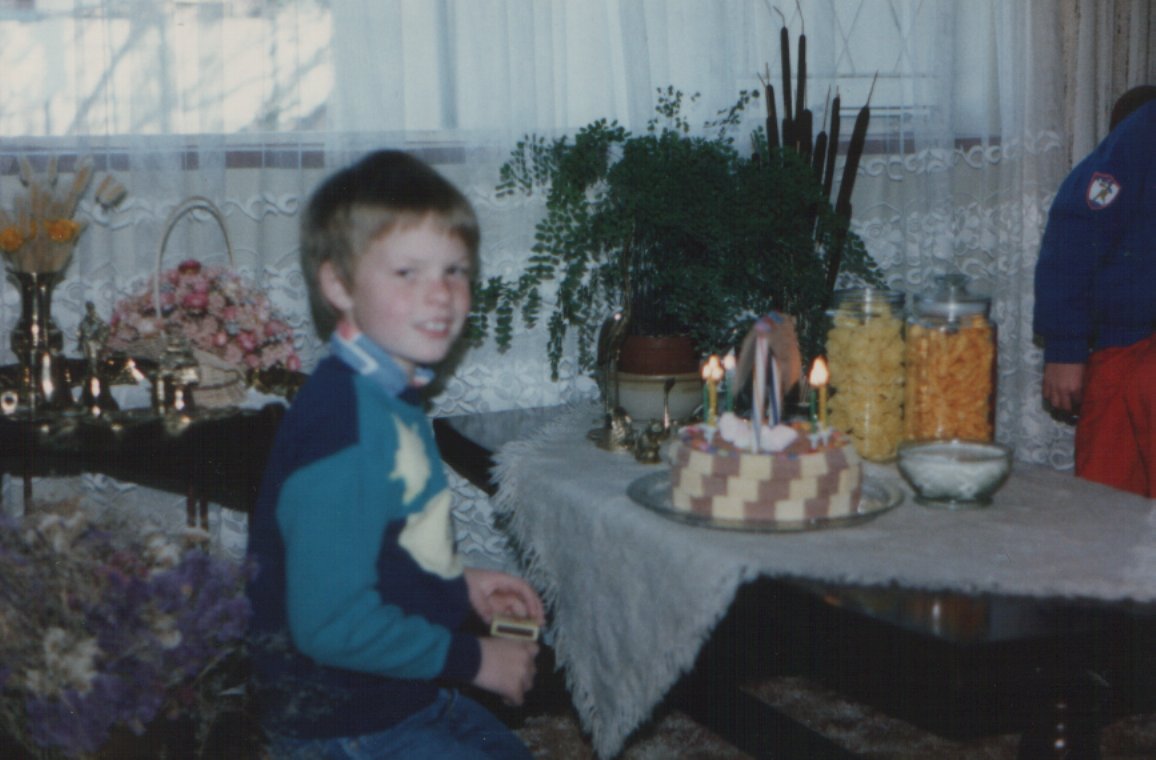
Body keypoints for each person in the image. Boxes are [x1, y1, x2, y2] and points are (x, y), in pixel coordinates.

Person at [247, 150, 545, 759]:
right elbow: (331, 624)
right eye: (408, 272)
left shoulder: (388, 392)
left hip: (397, 692)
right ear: (338, 285)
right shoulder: (342, 424)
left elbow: (384, 547)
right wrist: (476, 659)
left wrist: (458, 587)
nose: (441, 295)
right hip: (344, 721)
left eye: (455, 270)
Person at [1034, 84, 1156, 496]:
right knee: (1105, 496)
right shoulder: (1143, 134)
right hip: (1127, 343)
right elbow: (1075, 234)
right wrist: (1065, 348)